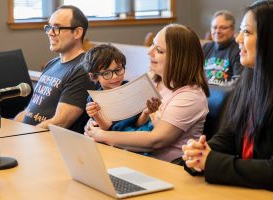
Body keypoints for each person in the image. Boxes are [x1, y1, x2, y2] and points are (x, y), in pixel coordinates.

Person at [85, 24, 210, 164]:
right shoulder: (152, 78)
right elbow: (121, 117)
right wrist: (94, 123)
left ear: (178, 59)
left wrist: (102, 135)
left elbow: (155, 140)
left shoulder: (190, 97)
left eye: (159, 50)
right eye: (152, 44)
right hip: (131, 157)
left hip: (166, 167)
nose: (149, 52)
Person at [182, 0, 273, 190]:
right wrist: (201, 153)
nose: (238, 39)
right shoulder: (250, 79)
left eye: (246, 32)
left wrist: (212, 162)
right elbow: (231, 134)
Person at [14, 5, 95, 133]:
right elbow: (29, 111)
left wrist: (23, 136)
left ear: (78, 32)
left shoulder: (82, 69)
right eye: (49, 27)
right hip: (27, 136)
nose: (50, 33)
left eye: (57, 27)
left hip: (46, 143)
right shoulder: (52, 64)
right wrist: (10, 130)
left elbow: (60, 122)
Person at [85, 44, 158, 132]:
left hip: (138, 133)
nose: (115, 76)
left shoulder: (131, 89)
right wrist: (96, 115)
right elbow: (108, 128)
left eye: (118, 70)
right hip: (112, 136)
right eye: (107, 73)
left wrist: (146, 113)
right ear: (93, 76)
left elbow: (138, 123)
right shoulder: (94, 99)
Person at [203, 10, 244, 86]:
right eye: (214, 27)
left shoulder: (239, 50)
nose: (217, 31)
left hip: (225, 95)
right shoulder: (205, 47)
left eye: (223, 28)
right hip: (203, 94)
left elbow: (238, 82)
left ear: (232, 29)